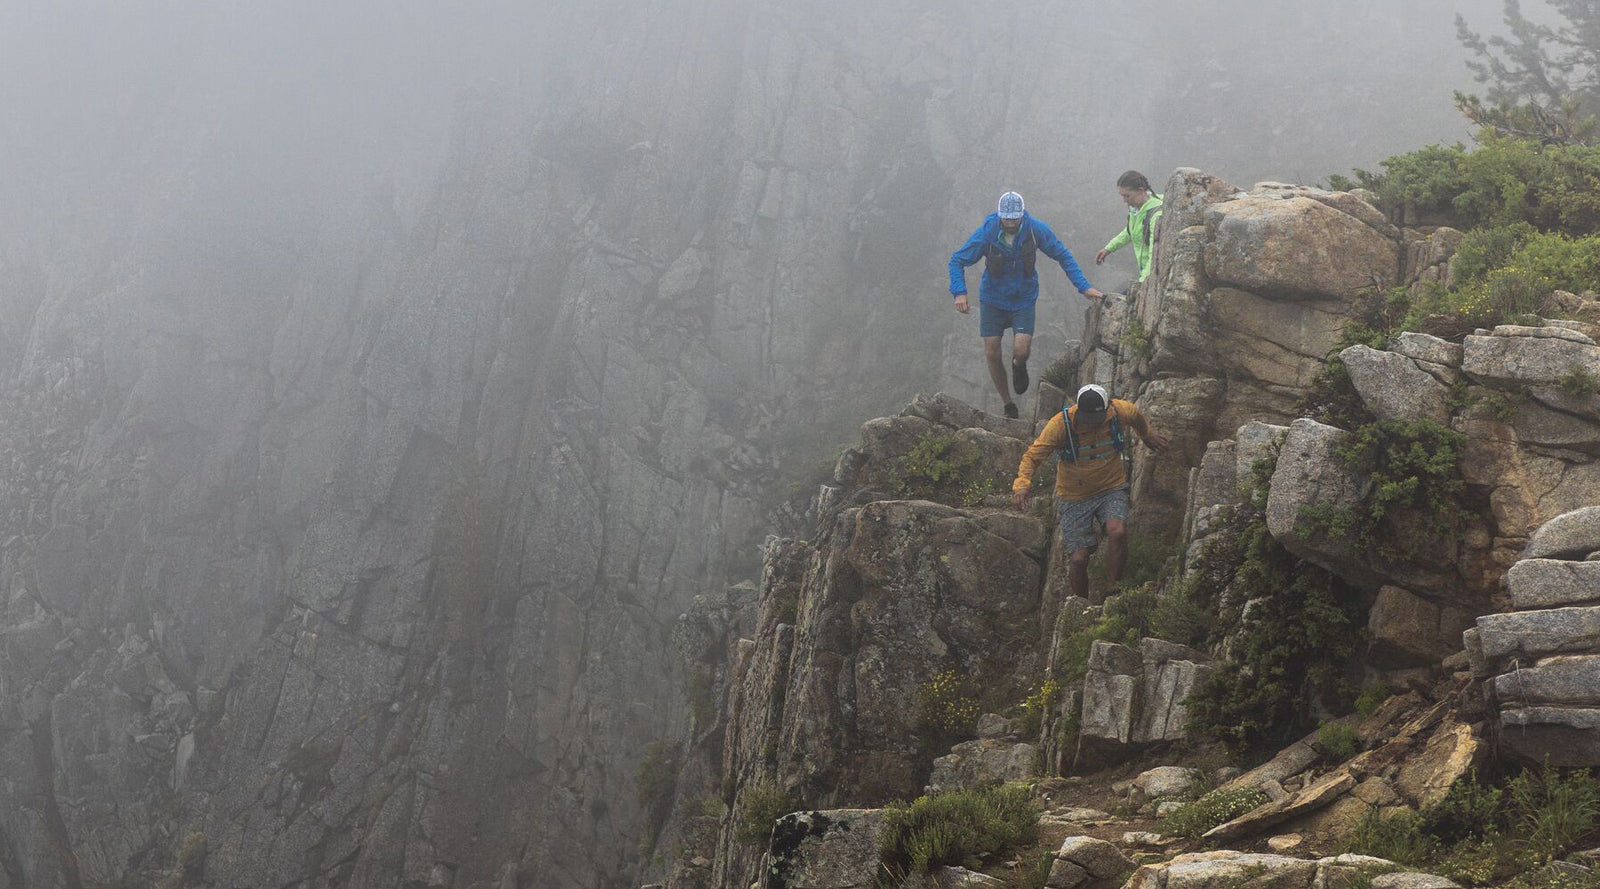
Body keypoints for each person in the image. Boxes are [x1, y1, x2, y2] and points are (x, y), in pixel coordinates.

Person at [949, 191, 1105, 419]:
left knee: (1021, 350)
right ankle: (1008, 403)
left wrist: (1083, 287)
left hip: (1023, 298)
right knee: (992, 351)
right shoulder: (987, 233)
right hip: (993, 298)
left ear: (1022, 215)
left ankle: (1018, 364)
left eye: (1015, 218)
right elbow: (958, 260)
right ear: (1000, 216)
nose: (1011, 223)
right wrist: (959, 292)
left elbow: (1062, 255)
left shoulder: (1035, 230)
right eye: (1006, 218)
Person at [1011, 383, 1169, 603]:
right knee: (1079, 558)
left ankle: (1113, 591)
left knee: (1117, 531)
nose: (1092, 424)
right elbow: (1032, 456)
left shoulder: (1120, 411)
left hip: (1111, 487)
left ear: (1108, 407)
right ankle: (1081, 606)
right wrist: (1022, 485)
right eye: (1087, 419)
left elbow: (1136, 417)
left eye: (1097, 418)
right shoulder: (1060, 425)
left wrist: (1146, 435)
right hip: (1074, 496)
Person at [1094, 171, 1164, 284]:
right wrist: (1109, 248)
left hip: (1153, 278)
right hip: (1146, 275)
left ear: (1141, 191)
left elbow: (1155, 254)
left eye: (1127, 196)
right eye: (1122, 196)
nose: (1124, 200)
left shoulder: (1156, 215)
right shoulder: (1136, 209)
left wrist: (1143, 284)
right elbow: (1131, 231)